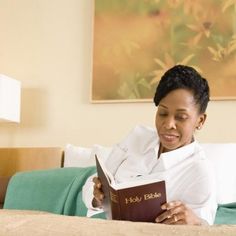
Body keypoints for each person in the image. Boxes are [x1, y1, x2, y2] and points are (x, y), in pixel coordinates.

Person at [82, 64, 217, 225]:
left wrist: (194, 222)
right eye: (163, 113)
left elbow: (206, 227)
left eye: (180, 117)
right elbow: (93, 184)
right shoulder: (137, 137)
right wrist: (97, 196)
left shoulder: (200, 171)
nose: (168, 124)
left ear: (200, 121)